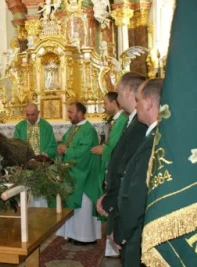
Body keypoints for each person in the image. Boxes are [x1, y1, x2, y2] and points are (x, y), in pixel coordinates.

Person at [112, 79, 162, 266]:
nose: (136, 104)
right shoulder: (155, 135)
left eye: (139, 100)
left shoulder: (154, 140)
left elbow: (138, 192)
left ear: (148, 103)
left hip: (139, 231)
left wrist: (122, 231)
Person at [96, 72, 147, 252]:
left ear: (126, 91)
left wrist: (112, 199)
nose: (116, 97)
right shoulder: (131, 121)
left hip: (127, 206)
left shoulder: (141, 124)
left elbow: (128, 170)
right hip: (119, 199)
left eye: (117, 92)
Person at [56, 102, 101, 245]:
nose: (68, 115)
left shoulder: (88, 130)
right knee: (72, 205)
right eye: (68, 111)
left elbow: (85, 152)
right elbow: (65, 143)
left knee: (84, 205)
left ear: (80, 113)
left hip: (84, 174)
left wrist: (67, 151)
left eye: (71, 112)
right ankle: (73, 234)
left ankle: (85, 237)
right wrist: (61, 149)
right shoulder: (72, 129)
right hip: (72, 173)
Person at [91, 91, 128, 256]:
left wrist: (103, 150)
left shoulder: (122, 121)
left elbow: (115, 146)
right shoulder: (118, 120)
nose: (104, 106)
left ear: (115, 103)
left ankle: (114, 245)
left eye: (105, 103)